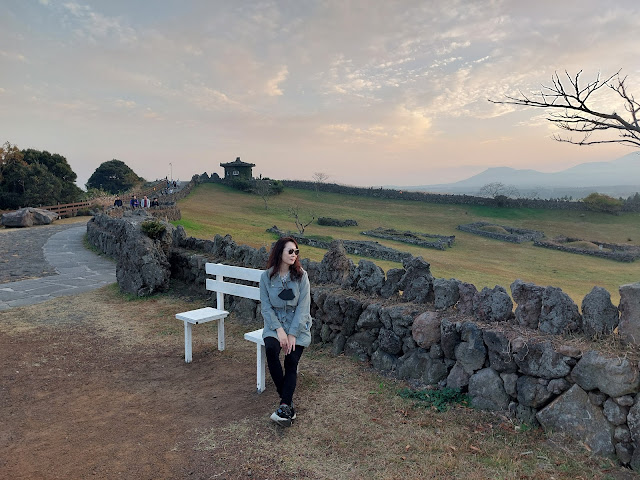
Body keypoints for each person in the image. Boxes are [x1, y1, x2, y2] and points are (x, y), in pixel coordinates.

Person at [260, 237, 312, 427]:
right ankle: (288, 403)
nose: (294, 255)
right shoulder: (266, 277)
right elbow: (266, 307)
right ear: (279, 252)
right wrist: (279, 331)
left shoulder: (301, 276)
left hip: (297, 326)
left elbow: (303, 308)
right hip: (274, 326)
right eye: (290, 251)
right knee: (271, 350)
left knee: (291, 359)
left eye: (296, 252)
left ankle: (284, 405)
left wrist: (291, 334)